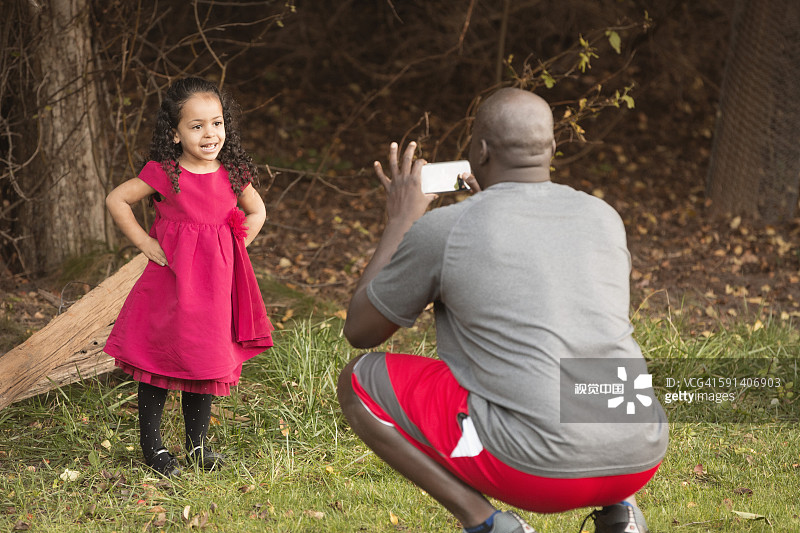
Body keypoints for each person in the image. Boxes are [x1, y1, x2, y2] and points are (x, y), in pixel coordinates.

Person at [337, 88, 668, 533]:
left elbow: (361, 330)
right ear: (551, 149)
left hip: (536, 473)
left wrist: (400, 221)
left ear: (480, 151)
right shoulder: (603, 216)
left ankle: (489, 525)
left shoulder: (446, 229)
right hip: (640, 452)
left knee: (359, 379)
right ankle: (621, 513)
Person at [104, 77, 274, 477]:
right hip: (172, 286)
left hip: (215, 290)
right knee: (160, 361)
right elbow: (117, 199)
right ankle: (154, 448)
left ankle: (198, 447)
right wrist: (145, 244)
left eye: (216, 123)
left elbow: (258, 212)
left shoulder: (232, 172)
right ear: (176, 134)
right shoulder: (166, 173)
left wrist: (235, 248)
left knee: (203, 362)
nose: (209, 133)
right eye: (196, 126)